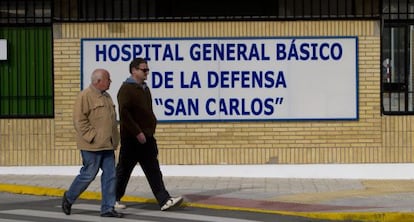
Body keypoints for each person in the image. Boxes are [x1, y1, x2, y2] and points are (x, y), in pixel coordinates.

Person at [115, 57, 183, 211]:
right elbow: (124, 114)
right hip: (132, 139)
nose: (147, 72)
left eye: (147, 69)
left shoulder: (144, 88)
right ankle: (113, 198)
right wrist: (137, 132)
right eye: (144, 69)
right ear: (134, 71)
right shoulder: (126, 89)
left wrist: (151, 128)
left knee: (153, 169)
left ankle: (164, 200)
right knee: (124, 170)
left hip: (147, 138)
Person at [61, 68, 123, 218]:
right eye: (108, 79)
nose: (110, 82)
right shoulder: (85, 96)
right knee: (88, 174)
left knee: (110, 176)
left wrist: (114, 140)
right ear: (98, 81)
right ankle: (69, 198)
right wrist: (92, 136)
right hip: (91, 146)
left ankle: (107, 208)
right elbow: (79, 121)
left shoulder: (107, 97)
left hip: (107, 145)